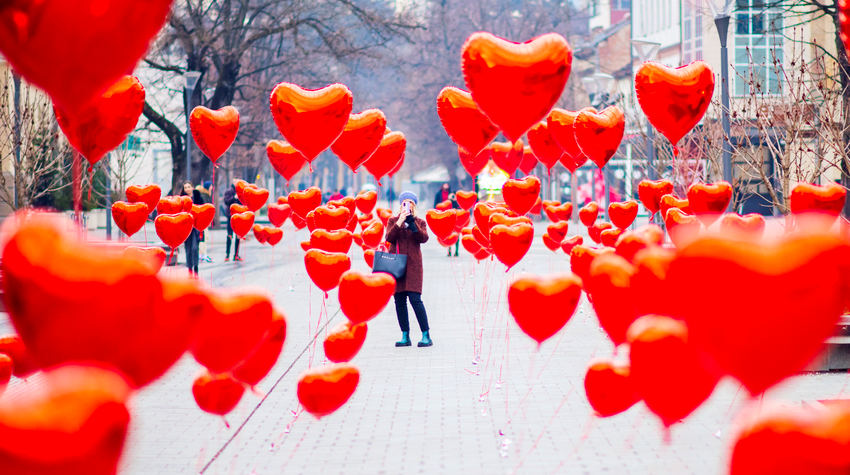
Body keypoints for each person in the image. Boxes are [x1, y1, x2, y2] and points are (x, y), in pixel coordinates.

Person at [386, 191, 432, 348]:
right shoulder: (393, 220)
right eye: (405, 203)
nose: (408, 206)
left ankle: (426, 334)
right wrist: (399, 222)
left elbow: (424, 238)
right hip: (397, 265)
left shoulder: (419, 222)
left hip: (413, 266)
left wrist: (412, 224)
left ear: (414, 206)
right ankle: (405, 335)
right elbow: (389, 238)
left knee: (415, 299)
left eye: (410, 203)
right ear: (400, 205)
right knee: (399, 300)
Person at [180, 181, 204, 276]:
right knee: (188, 248)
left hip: (196, 226)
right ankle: (189, 269)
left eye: (189, 187)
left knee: (195, 248)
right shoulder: (182, 199)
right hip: (186, 226)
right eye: (185, 187)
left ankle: (196, 267)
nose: (187, 189)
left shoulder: (198, 197)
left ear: (192, 187)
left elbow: (202, 209)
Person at [223, 179, 242, 262]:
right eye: (235, 182)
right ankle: (227, 254)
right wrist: (234, 198)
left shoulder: (241, 191)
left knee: (238, 235)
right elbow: (226, 201)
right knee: (229, 235)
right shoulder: (229, 191)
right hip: (230, 216)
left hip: (239, 216)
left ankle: (236, 255)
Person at [446, 192, 460, 257]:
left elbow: (460, 210)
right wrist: (449, 200)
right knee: (449, 236)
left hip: (457, 222)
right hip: (449, 221)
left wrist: (455, 201)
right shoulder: (447, 203)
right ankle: (449, 251)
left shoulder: (458, 202)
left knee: (456, 236)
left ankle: (456, 251)